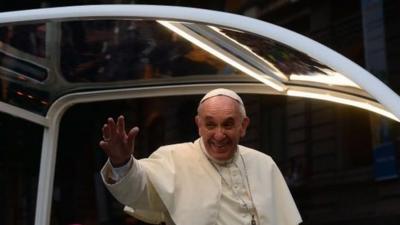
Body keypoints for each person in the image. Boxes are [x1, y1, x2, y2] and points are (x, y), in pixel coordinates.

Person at [100, 88, 302, 225]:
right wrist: (122, 162)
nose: (219, 135)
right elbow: (138, 190)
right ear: (198, 125)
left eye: (229, 124)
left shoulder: (264, 164)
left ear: (244, 126)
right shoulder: (173, 157)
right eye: (211, 125)